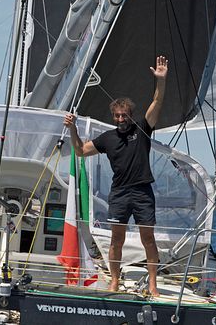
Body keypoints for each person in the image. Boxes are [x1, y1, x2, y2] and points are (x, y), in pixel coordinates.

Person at [63, 55, 167, 296]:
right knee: (115, 241)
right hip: (119, 193)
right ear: (113, 116)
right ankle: (114, 281)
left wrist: (161, 80)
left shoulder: (142, 129)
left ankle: (153, 285)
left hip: (142, 191)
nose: (121, 119)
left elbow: (157, 102)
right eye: (117, 116)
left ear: (131, 115)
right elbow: (79, 151)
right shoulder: (108, 138)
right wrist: (72, 129)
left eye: (124, 115)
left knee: (148, 240)